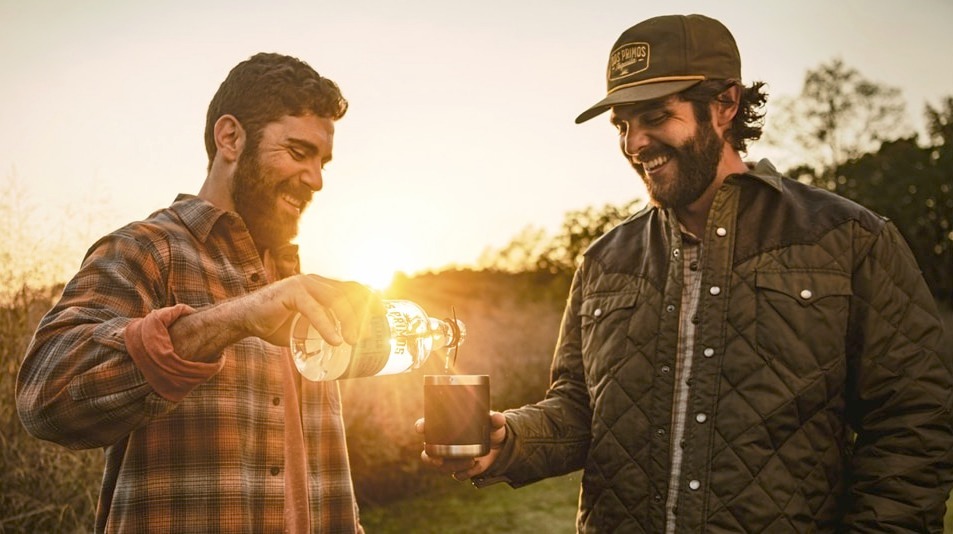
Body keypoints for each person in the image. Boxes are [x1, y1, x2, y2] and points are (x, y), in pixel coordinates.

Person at [418, 14, 953, 532]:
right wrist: (508, 439)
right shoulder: (603, 260)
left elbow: (914, 424)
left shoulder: (849, 239)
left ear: (725, 104)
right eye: (623, 126)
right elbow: (580, 409)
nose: (633, 144)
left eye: (654, 117)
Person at [17, 52, 375, 533]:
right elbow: (45, 397)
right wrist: (230, 321)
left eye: (322, 161)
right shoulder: (146, 249)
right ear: (230, 138)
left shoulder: (295, 281)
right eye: (297, 152)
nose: (316, 179)